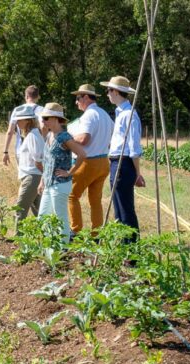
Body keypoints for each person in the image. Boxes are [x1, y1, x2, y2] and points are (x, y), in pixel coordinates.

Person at [101, 76, 145, 242]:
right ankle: (123, 247)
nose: (107, 94)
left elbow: (134, 147)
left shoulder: (129, 115)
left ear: (116, 92)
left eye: (109, 90)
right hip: (116, 162)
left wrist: (137, 173)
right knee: (118, 208)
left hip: (123, 163)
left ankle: (132, 251)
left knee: (125, 208)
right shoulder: (121, 113)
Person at [67, 84, 114, 236]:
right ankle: (97, 234)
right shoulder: (105, 115)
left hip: (88, 162)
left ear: (86, 97)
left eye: (78, 98)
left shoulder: (88, 115)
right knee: (95, 200)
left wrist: (66, 138)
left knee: (72, 195)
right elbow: (111, 139)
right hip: (103, 162)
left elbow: (84, 139)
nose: (76, 102)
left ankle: (75, 231)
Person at [37, 103, 86, 241]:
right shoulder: (49, 136)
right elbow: (46, 162)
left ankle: (63, 248)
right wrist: (42, 181)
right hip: (48, 183)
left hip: (60, 184)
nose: (43, 121)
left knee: (60, 217)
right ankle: (47, 248)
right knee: (42, 216)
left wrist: (69, 172)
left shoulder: (64, 137)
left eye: (46, 118)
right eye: (42, 118)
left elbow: (82, 154)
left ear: (55, 118)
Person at [12, 104, 45, 223]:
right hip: (32, 176)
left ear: (28, 121)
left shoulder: (32, 135)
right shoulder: (32, 134)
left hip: (32, 177)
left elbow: (38, 160)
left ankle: (18, 238)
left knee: (20, 208)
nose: (17, 123)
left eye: (19, 120)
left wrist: (44, 177)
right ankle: (44, 237)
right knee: (39, 211)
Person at [3, 85, 43, 166]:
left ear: (26, 96)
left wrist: (5, 151)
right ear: (37, 97)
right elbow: (44, 129)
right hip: (38, 150)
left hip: (20, 150)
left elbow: (10, 132)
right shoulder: (42, 110)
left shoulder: (18, 110)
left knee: (24, 177)